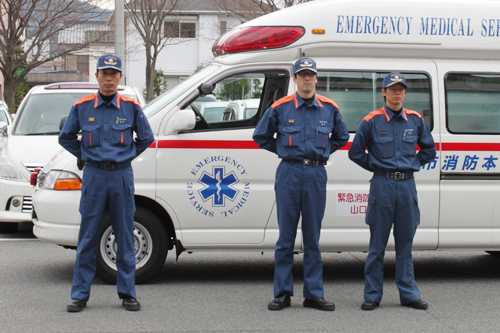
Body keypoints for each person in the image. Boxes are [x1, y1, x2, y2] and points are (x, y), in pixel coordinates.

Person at [59, 54, 154, 312]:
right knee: (88, 236)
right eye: (104, 73)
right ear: (97, 76)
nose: (109, 78)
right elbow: (66, 137)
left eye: (114, 73)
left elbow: (146, 138)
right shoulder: (82, 107)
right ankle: (80, 294)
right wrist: (84, 156)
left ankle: (127, 293)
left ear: (120, 77)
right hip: (94, 176)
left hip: (121, 176)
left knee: (124, 235)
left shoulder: (131, 107)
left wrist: (126, 156)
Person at [253, 57, 349, 311]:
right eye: (302, 74)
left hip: (316, 174)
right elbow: (260, 136)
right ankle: (283, 292)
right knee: (286, 237)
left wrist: (323, 150)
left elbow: (341, 136)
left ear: (316, 79)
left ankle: (313, 294)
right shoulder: (281, 107)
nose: (307, 79)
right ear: (294, 79)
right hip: (289, 173)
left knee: (313, 239)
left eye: (311, 75)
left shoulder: (329, 108)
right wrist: (283, 150)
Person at [348, 72, 436, 311]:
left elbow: (429, 151)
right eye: (392, 88)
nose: (397, 92)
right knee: (377, 245)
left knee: (405, 244)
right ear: (383, 92)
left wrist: (412, 164)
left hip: (407, 186)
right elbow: (355, 153)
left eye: (401, 89)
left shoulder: (416, 120)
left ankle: (408, 294)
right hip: (382, 186)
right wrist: (377, 167)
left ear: (405, 92)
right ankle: (373, 295)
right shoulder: (371, 121)